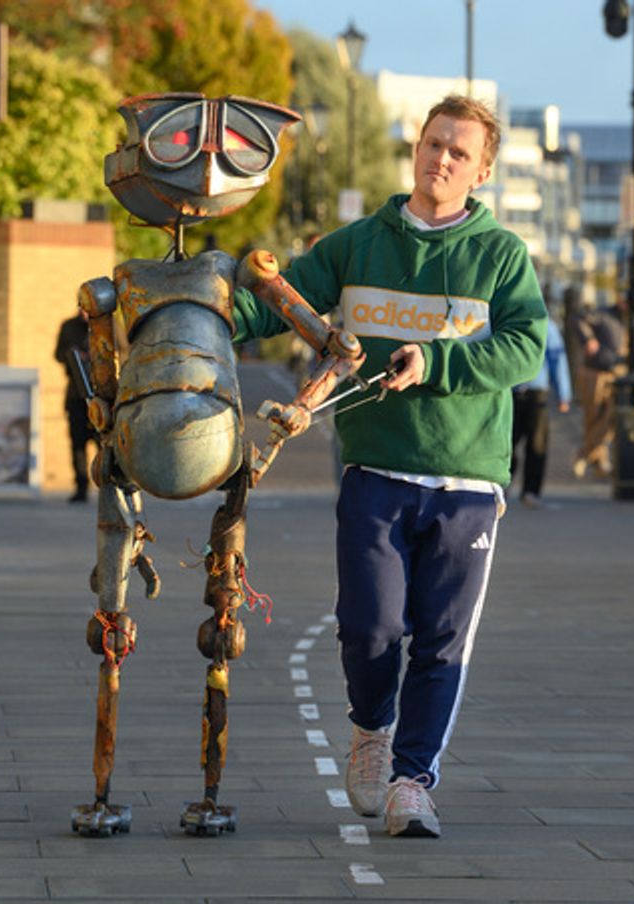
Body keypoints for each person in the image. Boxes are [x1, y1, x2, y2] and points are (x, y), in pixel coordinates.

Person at [231, 95, 545, 837]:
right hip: (374, 469)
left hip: (466, 480)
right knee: (368, 628)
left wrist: (434, 362)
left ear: (483, 171)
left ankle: (413, 781)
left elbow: (524, 347)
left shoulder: (500, 257)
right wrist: (207, 309)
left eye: (459, 152)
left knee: (442, 640)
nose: (442, 159)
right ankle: (370, 729)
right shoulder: (359, 243)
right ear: (416, 149)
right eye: (434, 144)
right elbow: (281, 302)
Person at [511, 315, 572, 508]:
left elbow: (557, 358)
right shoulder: (509, 319)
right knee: (505, 443)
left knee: (537, 444)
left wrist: (563, 394)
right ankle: (502, 486)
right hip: (510, 390)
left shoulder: (547, 325)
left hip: (538, 391)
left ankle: (531, 492)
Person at [571, 299, 625, 478]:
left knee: (611, 418)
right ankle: (599, 463)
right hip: (596, 372)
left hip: (617, 373)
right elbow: (577, 318)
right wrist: (588, 340)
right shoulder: (604, 314)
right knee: (593, 418)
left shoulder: (632, 320)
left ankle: (584, 454)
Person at [54, 309, 93, 503]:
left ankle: (111, 486)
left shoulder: (108, 323)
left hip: (102, 395)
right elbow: (58, 354)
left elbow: (124, 349)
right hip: (76, 393)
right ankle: (81, 487)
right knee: (78, 444)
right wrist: (73, 354)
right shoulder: (69, 327)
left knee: (107, 445)